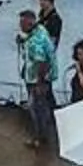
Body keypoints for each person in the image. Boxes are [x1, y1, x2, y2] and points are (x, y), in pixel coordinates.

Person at [18, 9, 58, 146]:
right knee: (42, 106)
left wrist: (40, 83)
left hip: (38, 79)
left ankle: (39, 137)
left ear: (29, 23)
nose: (20, 26)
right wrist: (24, 40)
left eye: (22, 23)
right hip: (41, 76)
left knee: (36, 108)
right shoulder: (40, 29)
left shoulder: (36, 41)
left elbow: (42, 62)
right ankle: (43, 134)